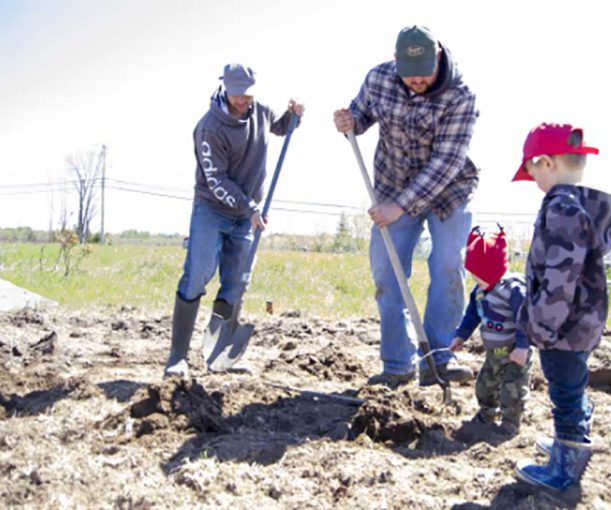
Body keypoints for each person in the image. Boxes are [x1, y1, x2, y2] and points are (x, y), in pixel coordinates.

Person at [333, 25, 479, 388]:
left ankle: (439, 358)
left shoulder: (461, 95)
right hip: (391, 183)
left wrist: (401, 205)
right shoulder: (380, 78)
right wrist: (350, 121)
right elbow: (362, 113)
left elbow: (445, 163)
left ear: (439, 58)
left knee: (447, 264)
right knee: (387, 275)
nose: (416, 79)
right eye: (409, 72)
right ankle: (397, 365)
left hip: (448, 191)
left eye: (424, 72)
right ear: (395, 61)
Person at [164, 63, 304, 378]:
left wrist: (294, 116)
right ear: (225, 88)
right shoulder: (209, 128)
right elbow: (217, 182)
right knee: (198, 274)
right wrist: (250, 208)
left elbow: (281, 128)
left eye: (248, 95)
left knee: (237, 280)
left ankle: (221, 354)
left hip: (247, 213)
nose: (243, 101)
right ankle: (177, 358)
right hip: (212, 209)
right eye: (238, 95)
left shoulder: (260, 110)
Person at [512, 123, 611, 491]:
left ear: (547, 163)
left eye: (532, 170)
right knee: (573, 384)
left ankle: (565, 470)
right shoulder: (582, 207)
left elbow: (560, 277)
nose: (532, 178)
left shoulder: (560, 209)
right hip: (583, 322)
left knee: (565, 394)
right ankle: (569, 442)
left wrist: (540, 326)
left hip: (563, 324)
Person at [448, 226, 532, 436]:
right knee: (485, 386)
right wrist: (461, 336)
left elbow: (525, 319)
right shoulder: (479, 291)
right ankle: (487, 411)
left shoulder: (512, 291)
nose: (476, 280)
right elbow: (472, 315)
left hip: (515, 352)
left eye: (480, 275)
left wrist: (523, 346)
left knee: (512, 389)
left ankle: (511, 420)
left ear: (494, 270)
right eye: (473, 275)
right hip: (494, 353)